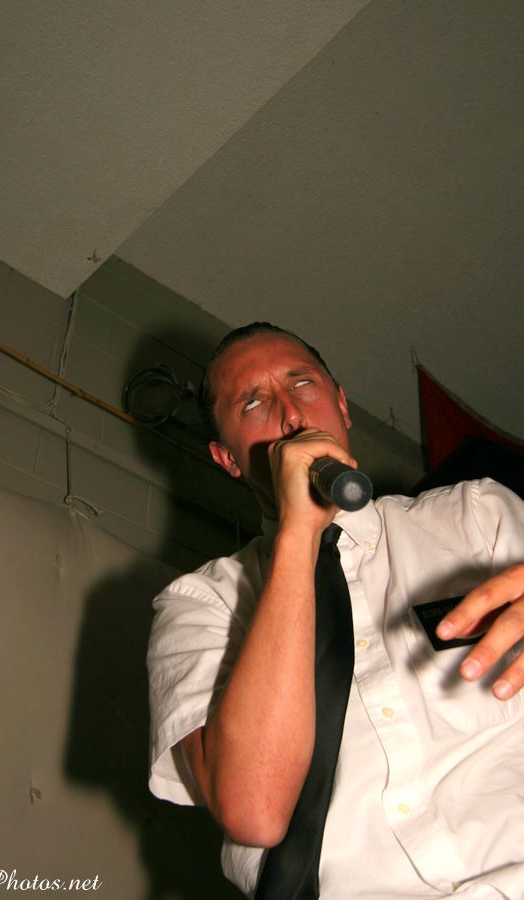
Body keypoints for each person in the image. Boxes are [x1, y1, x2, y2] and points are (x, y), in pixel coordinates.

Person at [147, 322, 524, 898]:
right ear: (226, 459)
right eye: (254, 403)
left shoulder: (477, 515)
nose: (292, 415)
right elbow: (255, 812)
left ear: (343, 405)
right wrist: (299, 535)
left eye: (303, 383)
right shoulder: (200, 606)